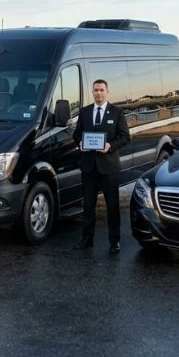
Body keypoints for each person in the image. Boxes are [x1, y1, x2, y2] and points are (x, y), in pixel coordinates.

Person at [72, 79, 131, 253]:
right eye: (96, 90)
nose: (98, 93)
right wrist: (80, 143)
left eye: (101, 90)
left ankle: (115, 242)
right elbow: (77, 134)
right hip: (89, 167)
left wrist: (110, 146)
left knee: (112, 206)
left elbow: (125, 137)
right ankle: (87, 239)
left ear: (107, 92)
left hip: (109, 168)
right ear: (92, 92)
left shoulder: (117, 112)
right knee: (88, 206)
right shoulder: (85, 112)